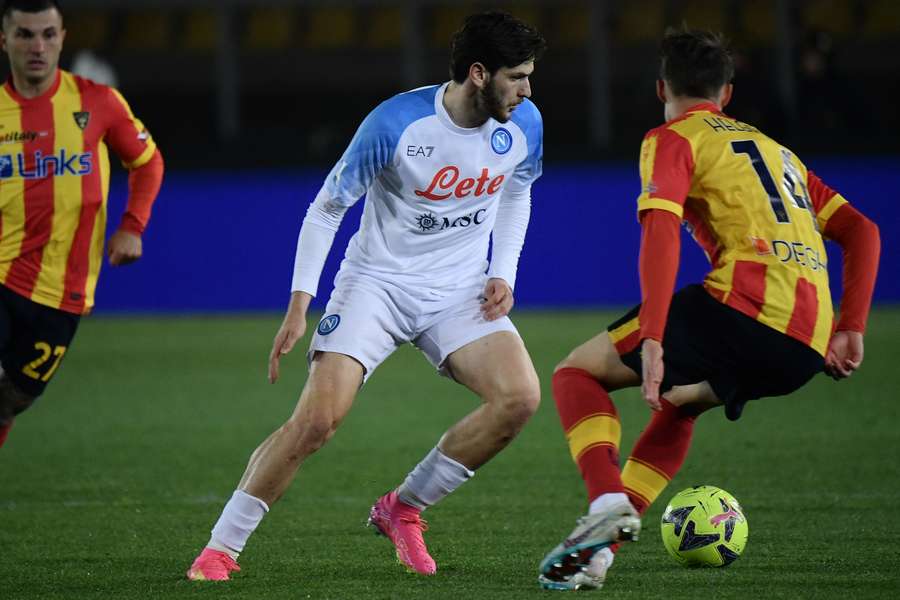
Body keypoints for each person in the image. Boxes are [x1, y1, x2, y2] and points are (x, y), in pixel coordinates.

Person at [186, 11, 546, 581]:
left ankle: (403, 509)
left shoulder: (524, 123)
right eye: (518, 77)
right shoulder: (395, 123)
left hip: (458, 291)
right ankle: (219, 550)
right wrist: (301, 301)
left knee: (520, 397)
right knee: (317, 422)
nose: (527, 90)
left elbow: (518, 191)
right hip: (375, 286)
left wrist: (504, 270)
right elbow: (329, 207)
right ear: (479, 73)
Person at [537, 27, 880, 591]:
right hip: (806, 344)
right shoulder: (778, 152)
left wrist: (652, 336)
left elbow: (662, 230)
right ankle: (601, 554)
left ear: (661, 88)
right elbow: (862, 230)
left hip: (743, 308)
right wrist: (851, 327)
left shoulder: (673, 138)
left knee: (577, 372)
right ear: (726, 92)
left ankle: (605, 501)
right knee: (680, 404)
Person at [0, 0, 164, 449]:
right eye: (25, 35)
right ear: (5, 40)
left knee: (12, 400)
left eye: (47, 35)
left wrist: (133, 225)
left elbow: (147, 162)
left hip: (65, 291)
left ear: (62, 39)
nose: (37, 46)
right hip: (2, 274)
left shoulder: (97, 102)